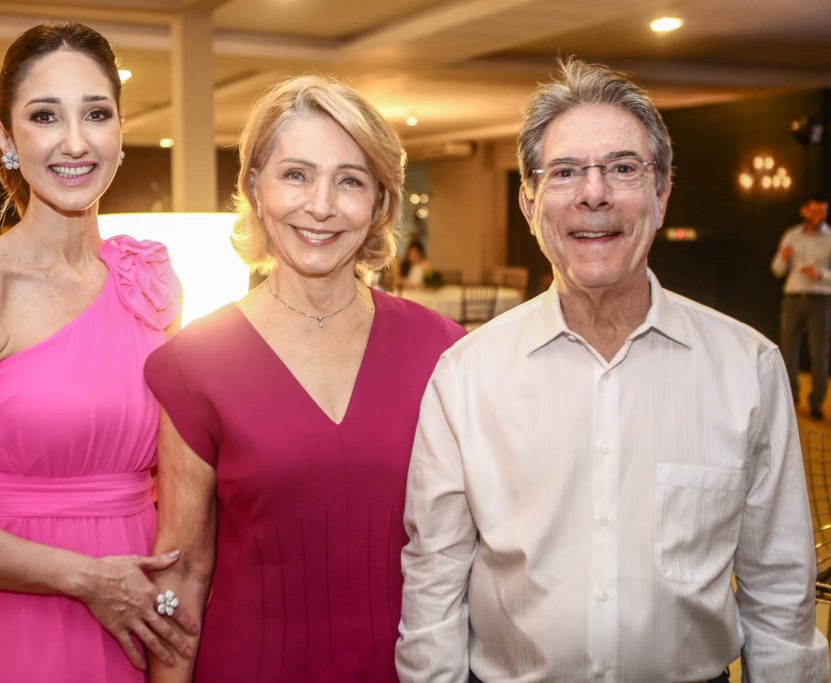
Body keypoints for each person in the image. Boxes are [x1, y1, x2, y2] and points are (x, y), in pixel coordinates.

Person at [397, 58, 829, 683]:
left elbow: (780, 587)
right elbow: (434, 584)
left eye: (623, 169)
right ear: (529, 202)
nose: (593, 194)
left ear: (661, 194)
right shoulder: (466, 376)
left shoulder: (747, 367)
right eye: (565, 172)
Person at [0, 23, 196, 682]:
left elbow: (180, 484)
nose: (75, 141)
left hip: (141, 616)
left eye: (96, 113)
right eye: (45, 116)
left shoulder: (150, 282)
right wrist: (85, 579)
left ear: (120, 131)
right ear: (5, 140)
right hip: (24, 621)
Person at [143, 75, 465, 682]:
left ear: (379, 204)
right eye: (295, 175)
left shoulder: (444, 352)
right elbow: (182, 573)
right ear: (255, 189)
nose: (321, 205)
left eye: (350, 180)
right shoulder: (194, 364)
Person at [771, 193, 831, 418]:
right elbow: (776, 270)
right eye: (815, 211)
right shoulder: (791, 235)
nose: (819, 216)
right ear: (804, 211)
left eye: (823, 212)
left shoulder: (829, 238)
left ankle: (816, 402)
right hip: (793, 298)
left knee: (819, 354)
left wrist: (821, 274)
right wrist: (784, 257)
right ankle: (791, 395)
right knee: (788, 350)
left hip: (821, 300)